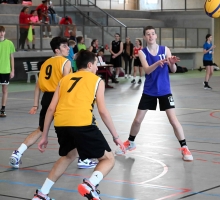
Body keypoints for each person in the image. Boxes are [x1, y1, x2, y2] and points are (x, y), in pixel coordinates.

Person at [31, 50, 126, 200]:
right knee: (108, 159)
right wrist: (116, 137)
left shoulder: (64, 80)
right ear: (89, 65)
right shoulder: (97, 81)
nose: (96, 68)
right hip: (82, 123)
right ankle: (90, 184)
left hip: (61, 123)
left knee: (68, 155)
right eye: (96, 64)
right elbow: (103, 111)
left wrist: (44, 136)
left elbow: (50, 109)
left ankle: (42, 193)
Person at [9, 37, 97, 170]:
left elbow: (38, 85)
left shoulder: (45, 64)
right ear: (57, 50)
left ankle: (18, 153)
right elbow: (67, 84)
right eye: (64, 46)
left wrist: (35, 104)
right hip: (61, 98)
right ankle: (83, 159)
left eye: (68, 46)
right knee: (77, 127)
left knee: (41, 129)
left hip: (46, 98)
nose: (68, 48)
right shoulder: (65, 62)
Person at [115, 26, 193, 161]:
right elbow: (147, 70)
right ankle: (131, 142)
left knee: (173, 120)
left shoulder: (165, 50)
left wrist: (172, 63)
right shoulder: (142, 52)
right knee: (137, 120)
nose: (150, 36)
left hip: (164, 90)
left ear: (156, 36)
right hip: (150, 91)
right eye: (148, 34)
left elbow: (173, 70)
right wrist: (158, 62)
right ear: (145, 37)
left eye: (152, 34)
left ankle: (185, 148)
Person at [0, 26, 15, 117]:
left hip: (5, 70)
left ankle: (3, 109)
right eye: (0, 32)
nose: (1, 33)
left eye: (2, 31)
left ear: (4, 32)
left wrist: (12, 70)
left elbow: (11, 57)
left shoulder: (9, 43)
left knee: (4, 90)